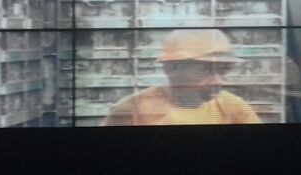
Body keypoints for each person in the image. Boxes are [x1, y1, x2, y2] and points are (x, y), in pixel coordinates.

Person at [101, 28, 262, 126]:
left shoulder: (233, 107)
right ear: (170, 69)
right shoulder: (133, 109)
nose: (219, 82)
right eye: (204, 71)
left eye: (223, 71)